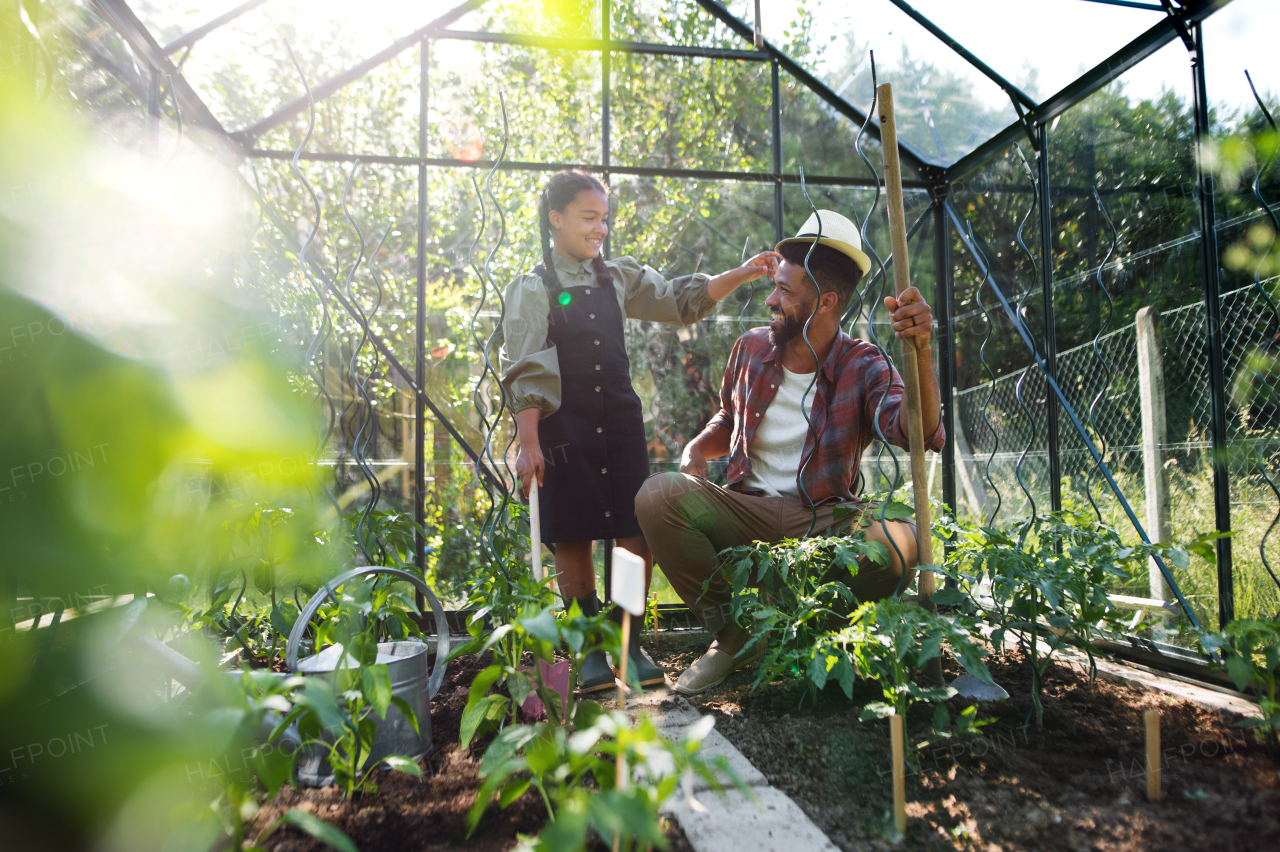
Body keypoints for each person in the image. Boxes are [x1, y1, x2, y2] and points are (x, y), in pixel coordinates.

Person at [633, 209, 945, 695]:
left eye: (784, 291)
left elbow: (917, 432)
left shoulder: (864, 364)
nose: (771, 300)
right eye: (774, 286)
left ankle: (810, 631)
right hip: (746, 512)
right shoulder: (750, 349)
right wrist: (698, 446)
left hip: (823, 517)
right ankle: (735, 638)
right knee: (657, 496)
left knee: (900, 544)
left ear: (826, 301)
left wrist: (922, 350)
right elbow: (730, 420)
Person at [501, 169, 779, 692]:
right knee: (573, 532)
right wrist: (529, 442)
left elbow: (678, 301)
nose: (600, 228)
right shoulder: (534, 288)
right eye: (589, 217)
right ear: (555, 219)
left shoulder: (618, 277)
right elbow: (527, 367)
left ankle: (627, 641)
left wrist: (742, 273)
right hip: (564, 427)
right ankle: (586, 649)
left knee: (632, 534)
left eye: (604, 219)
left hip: (622, 422)